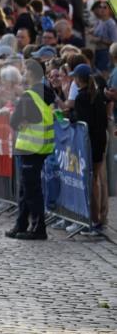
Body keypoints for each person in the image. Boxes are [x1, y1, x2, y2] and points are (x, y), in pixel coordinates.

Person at [5, 59, 55, 241]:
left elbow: (14, 122)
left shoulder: (29, 96)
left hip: (30, 148)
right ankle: (21, 224)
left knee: (31, 190)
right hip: (42, 147)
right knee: (27, 188)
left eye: (25, 71)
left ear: (32, 74)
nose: (23, 75)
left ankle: (38, 227)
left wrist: (21, 120)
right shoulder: (47, 92)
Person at [69, 63, 109, 233]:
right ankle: (97, 219)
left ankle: (94, 220)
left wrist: (71, 116)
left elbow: (81, 119)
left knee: (91, 182)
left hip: (89, 143)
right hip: (99, 141)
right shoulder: (97, 95)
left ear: (79, 79)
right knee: (96, 181)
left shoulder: (82, 97)